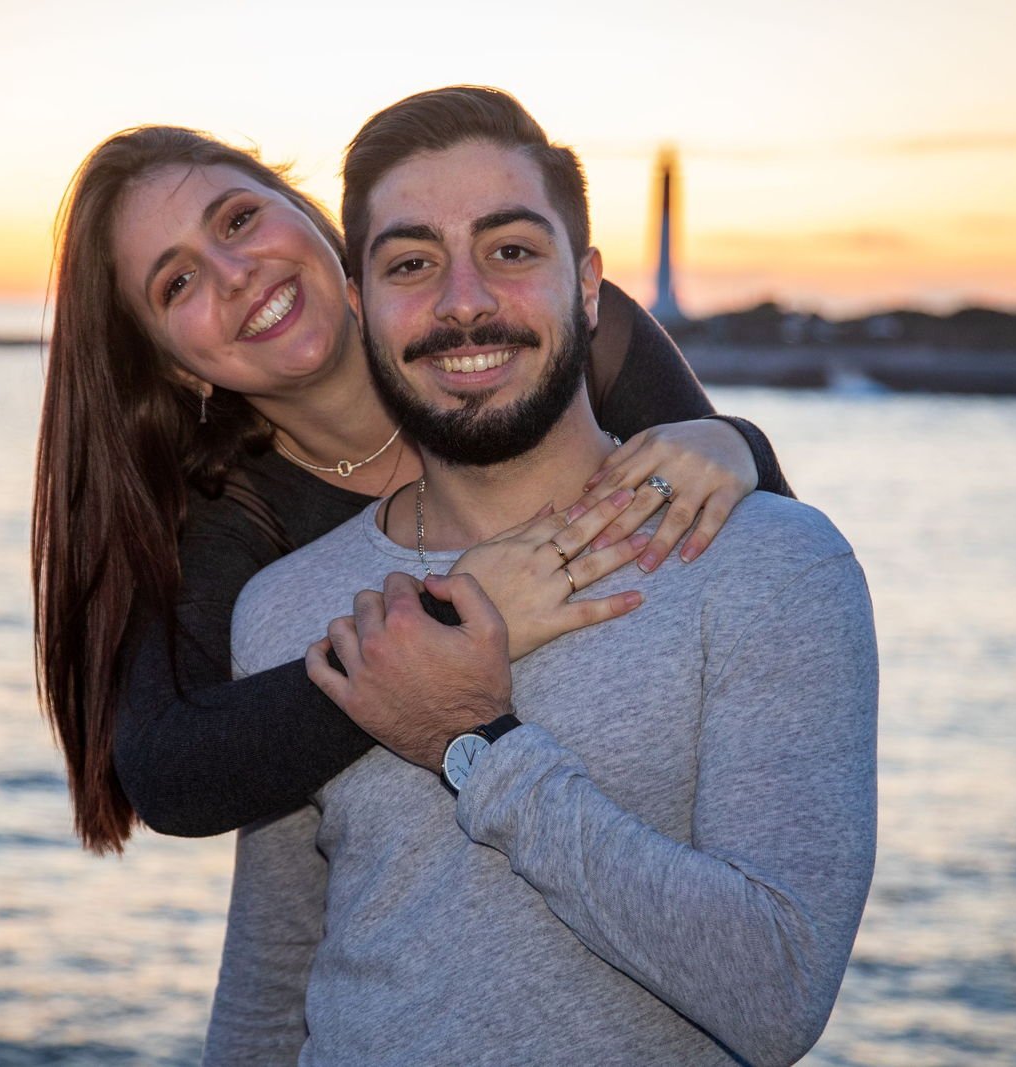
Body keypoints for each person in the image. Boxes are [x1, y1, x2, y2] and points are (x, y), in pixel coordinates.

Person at [203, 87, 878, 1065]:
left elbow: (776, 991)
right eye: (411, 263)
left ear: (589, 284)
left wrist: (477, 741)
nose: (463, 299)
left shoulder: (773, 566)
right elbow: (269, 985)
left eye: (510, 251)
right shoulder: (284, 606)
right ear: (358, 302)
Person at [32, 124, 794, 851]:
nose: (235, 276)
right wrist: (441, 629)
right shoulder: (235, 514)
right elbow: (171, 772)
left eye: (237, 221)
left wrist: (739, 444)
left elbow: (780, 598)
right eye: (179, 281)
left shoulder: (538, 334)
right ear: (174, 366)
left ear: (309, 215)